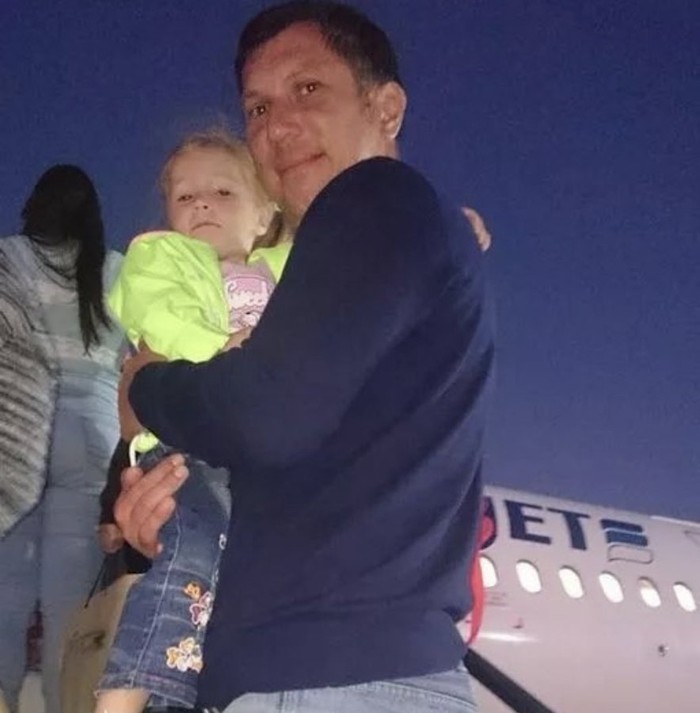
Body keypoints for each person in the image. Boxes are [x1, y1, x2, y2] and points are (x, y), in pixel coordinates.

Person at [116, 2, 494, 712]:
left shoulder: (375, 195)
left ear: (386, 108)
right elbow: (295, 446)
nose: (277, 126)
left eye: (309, 90)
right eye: (258, 108)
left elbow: (263, 414)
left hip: (332, 680)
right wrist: (179, 514)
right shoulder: (363, 258)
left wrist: (145, 383)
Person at [96, 131, 291, 713]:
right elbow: (159, 315)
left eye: (224, 192)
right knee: (192, 552)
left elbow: (364, 269)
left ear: (266, 213)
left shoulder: (294, 265)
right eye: (186, 197)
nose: (202, 202)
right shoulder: (160, 257)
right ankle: (122, 698)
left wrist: (436, 233)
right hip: (186, 443)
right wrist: (223, 352)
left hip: (257, 452)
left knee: (239, 582)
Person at [0, 165, 125, 713]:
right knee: (71, 609)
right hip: (91, 433)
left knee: (5, 598)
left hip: (18, 427)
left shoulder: (9, 257)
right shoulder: (116, 269)